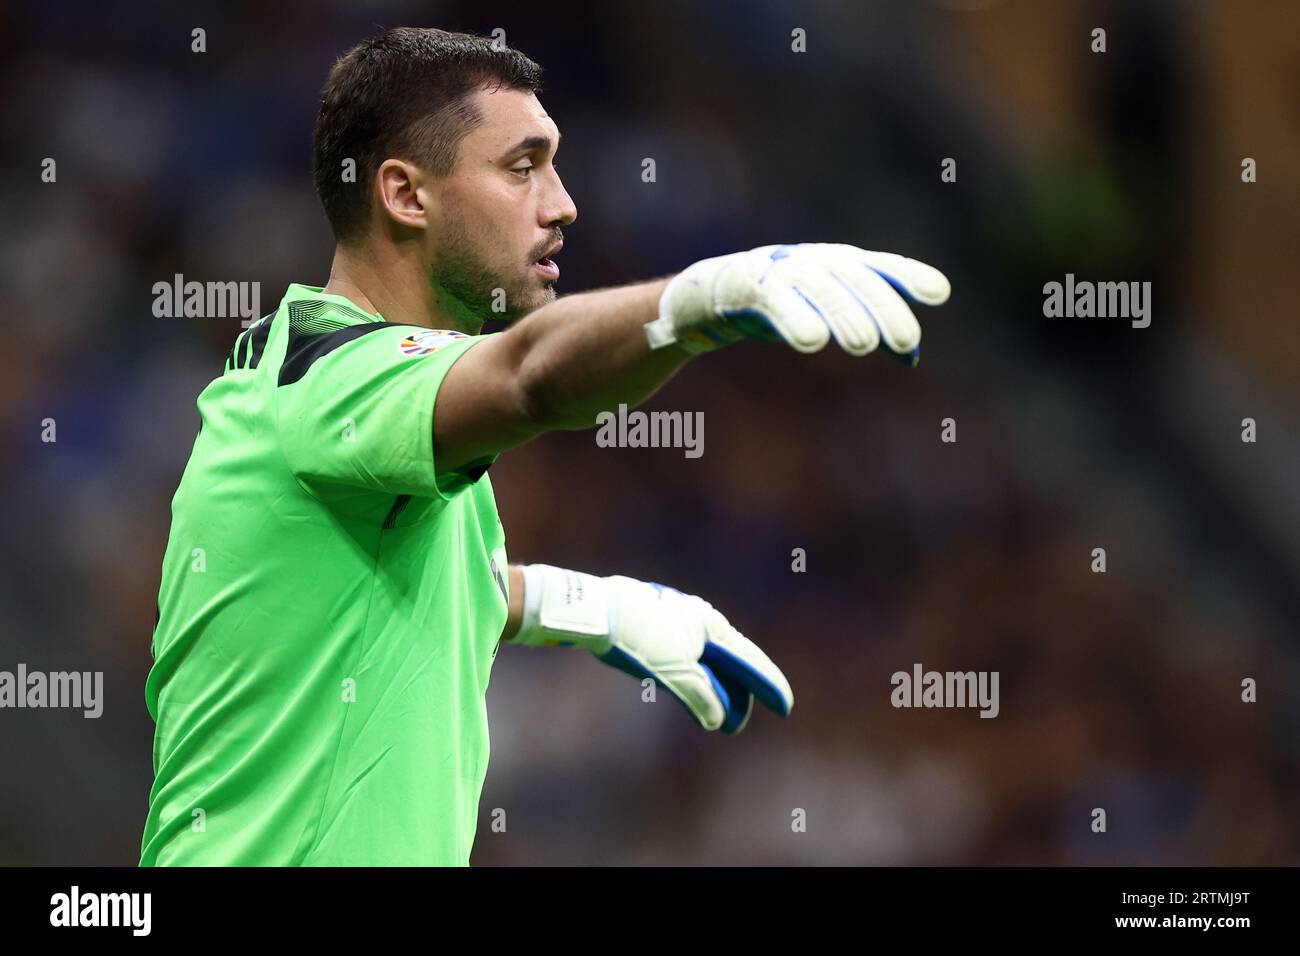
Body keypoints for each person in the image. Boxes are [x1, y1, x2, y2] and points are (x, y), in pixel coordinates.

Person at [140, 26, 951, 866]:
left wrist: (577, 607)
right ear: (405, 196)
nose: (562, 203)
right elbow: (529, 377)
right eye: (522, 167)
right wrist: (696, 304)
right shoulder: (340, 380)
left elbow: (349, 588)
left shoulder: (318, 390)